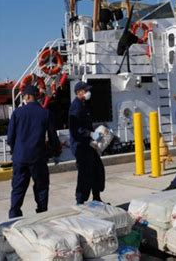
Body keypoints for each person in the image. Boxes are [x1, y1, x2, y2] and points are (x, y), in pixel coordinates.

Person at [7, 85, 61, 218]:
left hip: (20, 158)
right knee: (41, 186)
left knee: (18, 187)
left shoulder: (17, 113)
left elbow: (10, 138)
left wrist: (16, 151)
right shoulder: (45, 113)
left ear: (27, 96)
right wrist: (53, 151)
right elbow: (53, 137)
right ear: (36, 97)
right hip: (38, 157)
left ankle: (14, 215)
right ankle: (42, 214)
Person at [69, 81, 106, 204]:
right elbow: (76, 128)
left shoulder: (84, 104)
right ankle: (80, 201)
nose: (89, 92)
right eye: (86, 90)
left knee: (97, 169)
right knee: (85, 173)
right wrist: (90, 134)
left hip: (88, 144)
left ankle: (96, 197)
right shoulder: (76, 106)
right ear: (79, 93)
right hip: (81, 146)